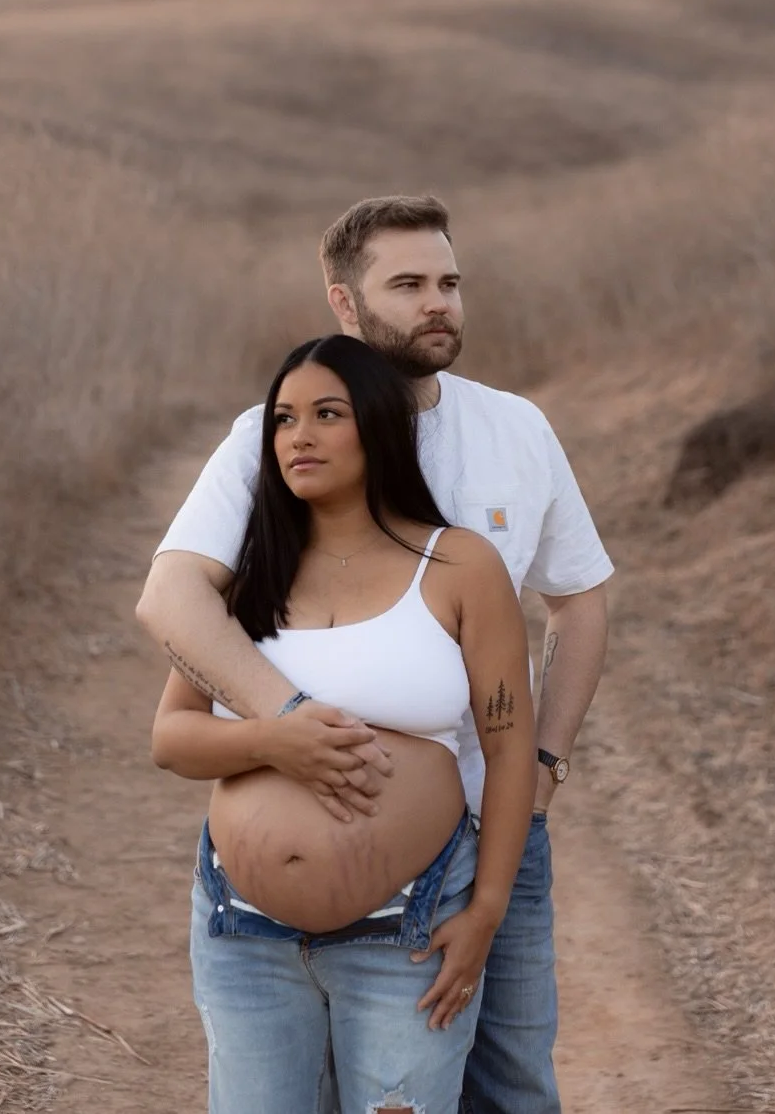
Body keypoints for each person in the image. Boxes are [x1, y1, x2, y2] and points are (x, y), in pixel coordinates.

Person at [138, 194, 613, 1114]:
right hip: (259, 910)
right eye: (408, 285)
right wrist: (284, 730)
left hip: (489, 835)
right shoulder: (268, 443)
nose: (438, 303)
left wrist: (545, 767)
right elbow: (171, 602)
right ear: (345, 305)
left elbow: (581, 598)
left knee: (511, 1084)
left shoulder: (516, 429)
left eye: (449, 282)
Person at [152, 334, 536, 1114]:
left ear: (377, 426)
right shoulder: (248, 571)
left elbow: (509, 746)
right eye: (284, 419)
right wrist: (271, 741)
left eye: (327, 414)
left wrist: (487, 910)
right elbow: (172, 737)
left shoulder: (459, 566)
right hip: (243, 930)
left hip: (412, 926)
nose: (299, 435)